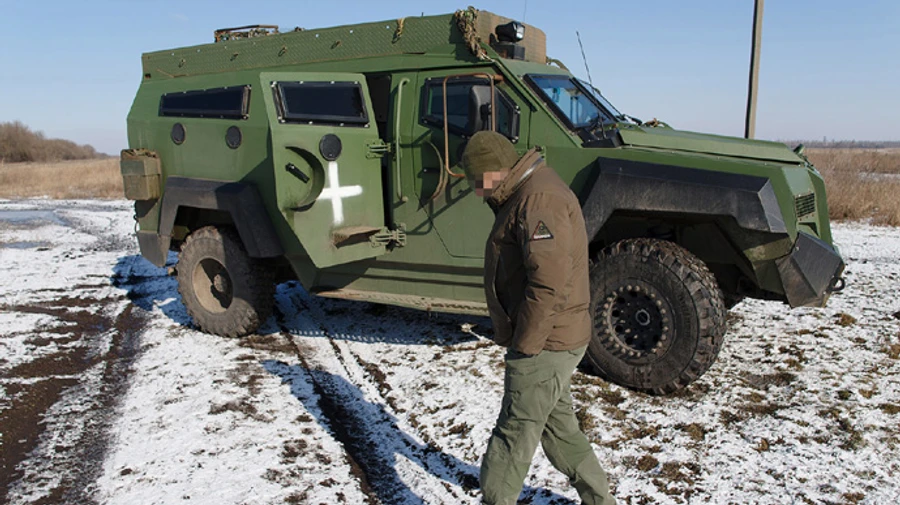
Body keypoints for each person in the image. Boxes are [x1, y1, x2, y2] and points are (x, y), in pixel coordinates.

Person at [460, 131, 616, 505]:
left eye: (477, 182)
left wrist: (525, 347)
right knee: (558, 429)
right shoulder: (528, 191)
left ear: (493, 172)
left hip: (546, 342)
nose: (477, 191)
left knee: (514, 431)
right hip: (555, 337)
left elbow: (548, 285)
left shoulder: (538, 200)